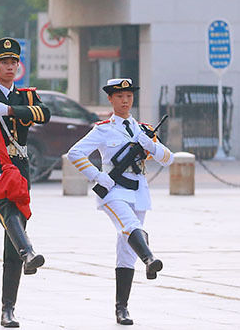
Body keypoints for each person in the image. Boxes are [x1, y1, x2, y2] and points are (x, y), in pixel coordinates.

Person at [66, 78, 174, 326]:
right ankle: (149, 259)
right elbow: (75, 153)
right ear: (111, 99)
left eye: (128, 96)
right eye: (120, 96)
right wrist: (97, 175)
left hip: (138, 190)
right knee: (128, 225)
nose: (125, 101)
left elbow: (169, 159)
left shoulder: (143, 129)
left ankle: (121, 308)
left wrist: (150, 145)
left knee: (126, 249)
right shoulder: (103, 129)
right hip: (113, 190)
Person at [0, 37, 50, 328]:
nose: (9, 66)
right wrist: (0, 169)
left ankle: (9, 308)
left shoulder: (27, 96)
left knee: (12, 238)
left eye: (13, 62)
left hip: (22, 171)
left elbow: (44, 114)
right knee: (8, 214)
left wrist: (9, 110)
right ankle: (29, 252)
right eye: (4, 62)